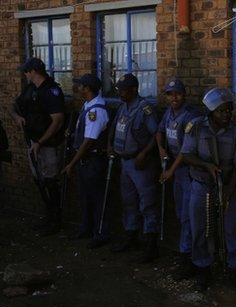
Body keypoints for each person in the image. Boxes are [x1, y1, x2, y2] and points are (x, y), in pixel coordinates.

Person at [181, 88, 236, 293]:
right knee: (200, 228)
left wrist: (229, 191)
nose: (226, 115)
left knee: (234, 228)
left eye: (228, 110)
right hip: (202, 185)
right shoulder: (196, 127)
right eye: (221, 111)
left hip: (228, 186)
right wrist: (206, 166)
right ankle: (202, 268)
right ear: (211, 112)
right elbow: (186, 155)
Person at [10, 57, 66, 236]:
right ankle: (49, 217)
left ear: (33, 71)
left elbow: (57, 120)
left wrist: (40, 143)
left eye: (27, 71)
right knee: (39, 182)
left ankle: (55, 221)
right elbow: (13, 105)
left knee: (50, 182)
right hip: (33, 143)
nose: (25, 74)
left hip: (47, 145)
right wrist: (17, 117)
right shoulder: (30, 89)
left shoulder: (51, 90)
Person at [108, 73, 160, 263]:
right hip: (125, 162)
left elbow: (157, 135)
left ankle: (150, 244)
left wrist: (144, 153)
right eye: (119, 90)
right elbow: (114, 128)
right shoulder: (123, 107)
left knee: (147, 204)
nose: (120, 93)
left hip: (141, 164)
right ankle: (131, 236)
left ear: (134, 90)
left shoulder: (144, 109)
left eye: (123, 90)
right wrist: (109, 146)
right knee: (128, 202)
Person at [156, 78, 200, 280]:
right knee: (182, 214)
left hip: (187, 171)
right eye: (170, 94)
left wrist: (170, 171)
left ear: (184, 95)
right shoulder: (169, 113)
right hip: (176, 169)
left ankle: (189, 258)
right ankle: (184, 254)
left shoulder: (189, 116)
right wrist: (161, 150)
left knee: (189, 216)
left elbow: (186, 149)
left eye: (178, 94)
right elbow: (159, 132)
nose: (174, 98)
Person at [61, 73, 110, 249]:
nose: (79, 88)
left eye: (81, 86)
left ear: (88, 88)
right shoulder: (88, 105)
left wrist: (72, 163)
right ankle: (86, 228)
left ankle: (100, 233)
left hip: (93, 160)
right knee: (85, 197)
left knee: (97, 198)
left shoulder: (96, 110)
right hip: (85, 161)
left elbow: (89, 141)